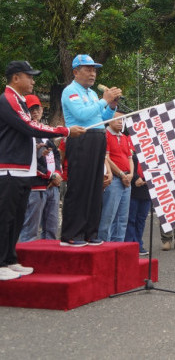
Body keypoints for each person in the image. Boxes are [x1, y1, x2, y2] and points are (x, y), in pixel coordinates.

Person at [0, 61, 84, 280]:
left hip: (23, 170)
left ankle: (10, 259)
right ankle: (0, 264)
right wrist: (64, 130)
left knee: (17, 217)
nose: (33, 81)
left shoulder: (18, 101)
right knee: (5, 217)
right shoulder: (8, 99)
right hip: (9, 170)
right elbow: (29, 126)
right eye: (30, 76)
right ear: (16, 78)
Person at [61, 54, 121, 247]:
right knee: (79, 186)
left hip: (97, 138)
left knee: (95, 187)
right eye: (88, 69)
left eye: (94, 69)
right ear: (75, 72)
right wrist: (104, 100)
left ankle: (90, 231)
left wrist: (111, 106)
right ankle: (72, 233)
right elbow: (82, 115)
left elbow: (101, 117)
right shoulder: (70, 91)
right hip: (80, 139)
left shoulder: (93, 94)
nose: (92, 73)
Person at [19, 95, 63, 242]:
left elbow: (56, 155)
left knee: (51, 227)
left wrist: (57, 173)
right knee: (30, 228)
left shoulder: (46, 134)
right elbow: (27, 160)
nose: (35, 112)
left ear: (42, 109)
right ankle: (25, 259)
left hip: (53, 186)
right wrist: (51, 175)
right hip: (36, 186)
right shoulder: (25, 133)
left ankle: (49, 259)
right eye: (31, 109)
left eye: (37, 108)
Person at [99, 111, 133, 242]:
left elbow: (130, 158)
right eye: (117, 119)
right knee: (109, 217)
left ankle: (118, 248)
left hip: (126, 180)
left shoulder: (124, 137)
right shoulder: (105, 135)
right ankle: (105, 247)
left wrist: (130, 174)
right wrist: (121, 174)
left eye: (122, 120)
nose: (120, 122)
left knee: (122, 219)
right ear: (109, 120)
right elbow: (106, 157)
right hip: (115, 180)